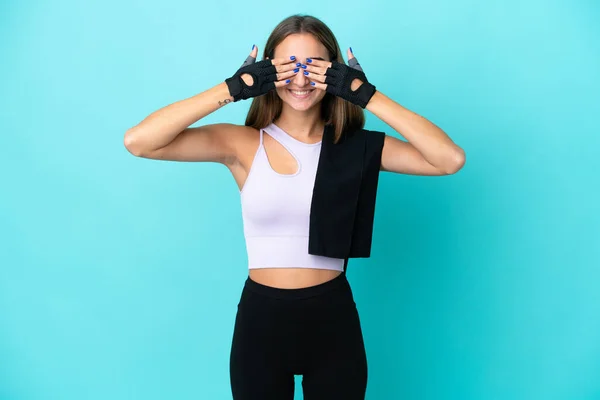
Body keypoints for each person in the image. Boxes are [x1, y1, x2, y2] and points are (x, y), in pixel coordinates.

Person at [124, 13, 465, 400]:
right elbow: (140, 141)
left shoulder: (356, 146)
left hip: (332, 322)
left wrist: (367, 96)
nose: (301, 80)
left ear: (333, 72)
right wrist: (232, 88)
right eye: (288, 68)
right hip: (260, 324)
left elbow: (448, 159)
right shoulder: (242, 144)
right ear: (268, 72)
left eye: (314, 68)